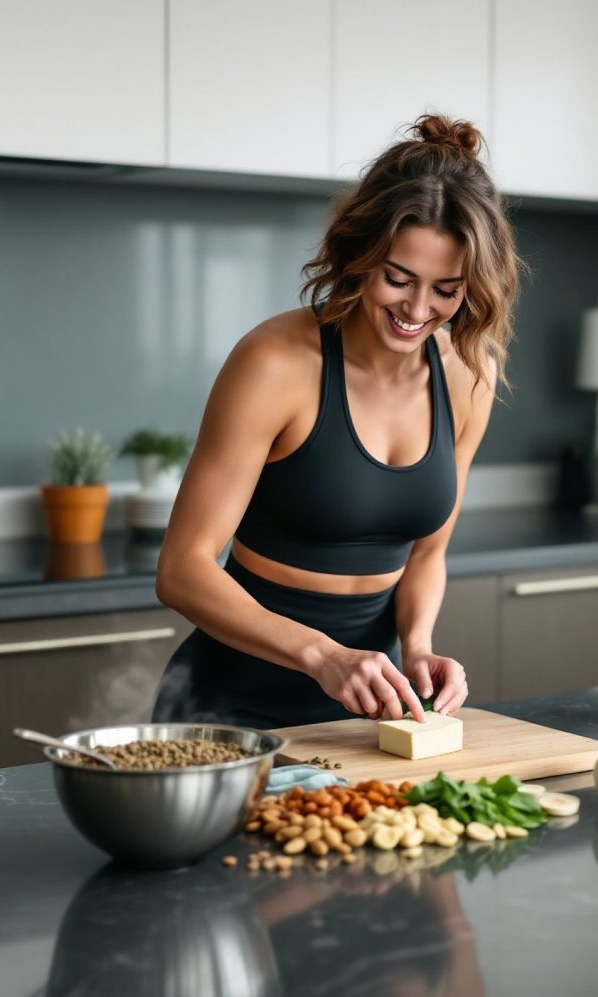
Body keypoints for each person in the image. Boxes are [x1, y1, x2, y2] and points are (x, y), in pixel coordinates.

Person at [152, 113, 521, 729]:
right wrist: (323, 656)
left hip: (370, 715)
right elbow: (182, 570)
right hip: (227, 710)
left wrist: (422, 646)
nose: (417, 309)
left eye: (446, 290)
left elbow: (427, 555)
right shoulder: (274, 363)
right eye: (397, 279)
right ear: (358, 254)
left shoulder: (468, 376)